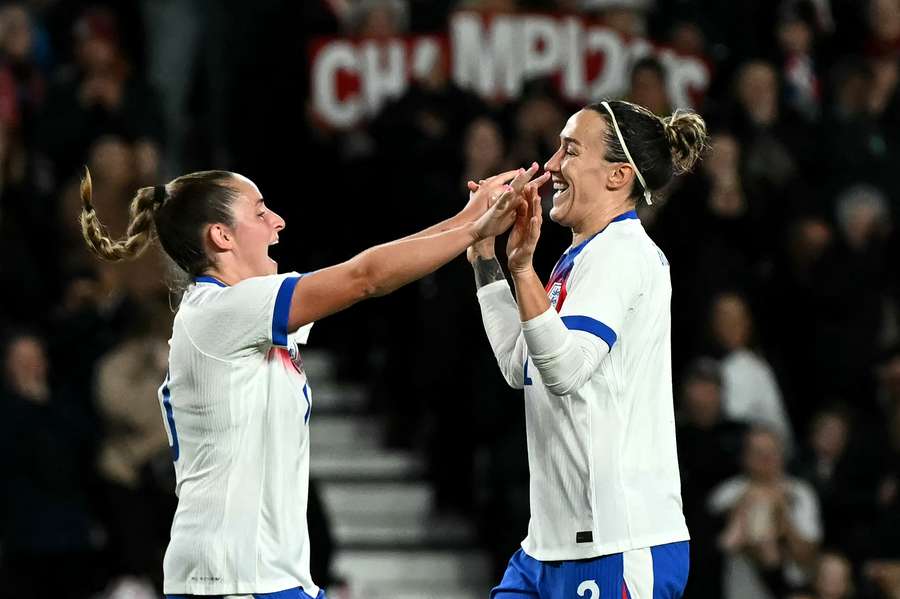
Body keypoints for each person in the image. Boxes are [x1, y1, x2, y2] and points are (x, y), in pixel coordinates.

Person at [78, 163, 547, 599]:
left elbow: (369, 271)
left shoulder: (242, 312)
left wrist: (467, 217)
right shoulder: (224, 311)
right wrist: (474, 229)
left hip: (259, 574)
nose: (278, 221)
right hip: (235, 577)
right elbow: (365, 277)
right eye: (260, 212)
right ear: (221, 235)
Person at [467, 99, 707, 598]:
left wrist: (524, 270)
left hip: (618, 542)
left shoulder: (622, 254)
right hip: (550, 544)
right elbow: (522, 366)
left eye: (570, 151)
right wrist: (486, 258)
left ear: (618, 176)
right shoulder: (580, 257)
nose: (552, 165)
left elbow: (565, 369)